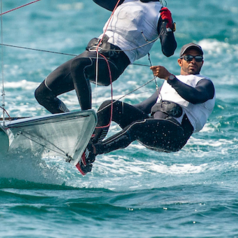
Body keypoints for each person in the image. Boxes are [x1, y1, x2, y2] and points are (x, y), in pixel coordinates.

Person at [34, 0, 177, 114]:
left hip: (114, 62)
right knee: (42, 94)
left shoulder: (160, 14)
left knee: (78, 65)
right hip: (92, 53)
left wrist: (168, 26)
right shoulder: (127, 1)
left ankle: (86, 117)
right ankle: (68, 123)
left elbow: (168, 50)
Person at [76, 42, 216, 174]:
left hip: (175, 134)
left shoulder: (205, 83)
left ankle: (94, 150)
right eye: (188, 57)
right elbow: (143, 108)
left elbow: (195, 96)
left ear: (202, 63)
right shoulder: (168, 84)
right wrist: (111, 113)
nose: (193, 61)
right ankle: (86, 153)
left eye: (198, 58)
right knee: (110, 106)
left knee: (137, 127)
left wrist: (169, 77)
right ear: (180, 61)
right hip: (152, 128)